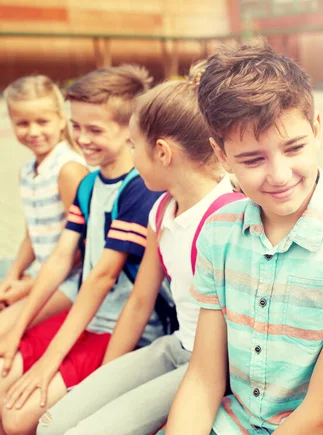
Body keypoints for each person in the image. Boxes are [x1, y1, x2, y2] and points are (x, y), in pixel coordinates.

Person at [166, 43, 323, 434]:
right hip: (235, 422)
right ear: (221, 155)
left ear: (316, 129)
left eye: (293, 148)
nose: (279, 175)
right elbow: (204, 378)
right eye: (252, 159)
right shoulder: (218, 231)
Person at [38, 65, 243, 435]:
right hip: (176, 346)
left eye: (134, 146)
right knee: (53, 425)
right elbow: (139, 302)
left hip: (214, 365)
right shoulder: (162, 209)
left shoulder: (225, 217)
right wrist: (105, 385)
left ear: (162, 152)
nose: (130, 157)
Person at [0, 65, 162, 434]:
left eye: (95, 130)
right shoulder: (89, 184)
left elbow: (102, 277)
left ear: (130, 130)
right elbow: (60, 258)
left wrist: (48, 363)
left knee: (17, 417)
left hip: (118, 329)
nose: (82, 139)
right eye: (76, 127)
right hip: (85, 316)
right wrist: (18, 327)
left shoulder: (139, 188)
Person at [0, 75, 87, 332]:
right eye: (23, 123)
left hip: (69, 281)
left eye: (43, 121)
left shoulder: (69, 169)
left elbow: (83, 246)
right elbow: (33, 232)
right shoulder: (28, 171)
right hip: (43, 276)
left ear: (62, 120)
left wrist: (28, 286)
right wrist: (12, 276)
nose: (33, 131)